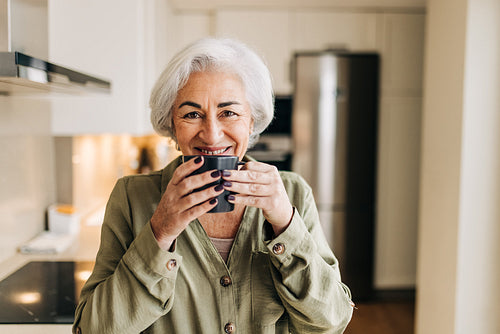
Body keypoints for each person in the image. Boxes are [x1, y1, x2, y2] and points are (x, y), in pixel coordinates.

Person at [73, 37, 354, 334]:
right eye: (192, 114)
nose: (212, 135)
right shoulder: (132, 198)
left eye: (228, 112)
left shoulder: (292, 193)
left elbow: (331, 322)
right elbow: (94, 329)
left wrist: (285, 225)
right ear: (172, 124)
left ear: (252, 120)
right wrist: (160, 232)